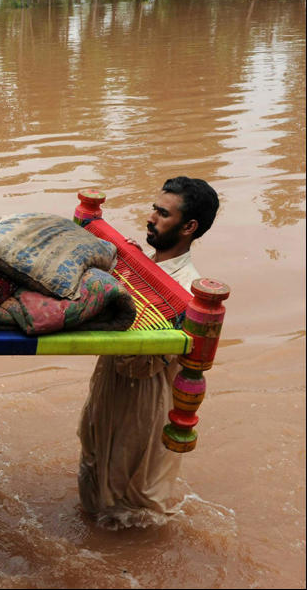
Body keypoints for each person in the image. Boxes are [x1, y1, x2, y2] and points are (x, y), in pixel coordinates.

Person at [77, 176, 220, 529]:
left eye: (162, 214)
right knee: (94, 473)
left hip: (145, 396)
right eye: (154, 209)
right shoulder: (139, 267)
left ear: (189, 227)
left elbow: (141, 364)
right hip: (110, 382)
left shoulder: (187, 291)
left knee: (135, 502)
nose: (151, 218)